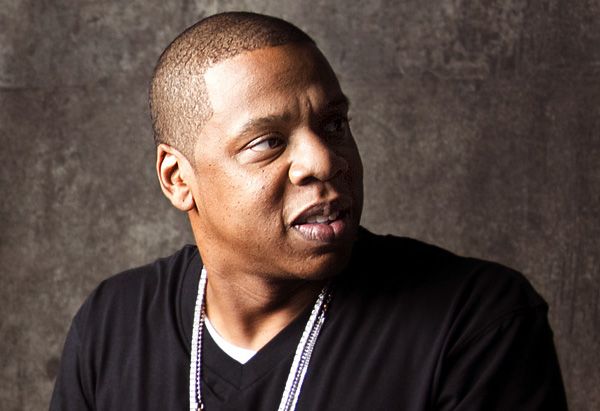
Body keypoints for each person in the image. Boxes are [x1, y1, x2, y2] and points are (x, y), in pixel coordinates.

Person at [50, 11, 568, 411]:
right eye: (268, 142)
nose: (324, 161)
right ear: (178, 179)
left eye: (334, 125)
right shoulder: (114, 324)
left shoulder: (477, 321)